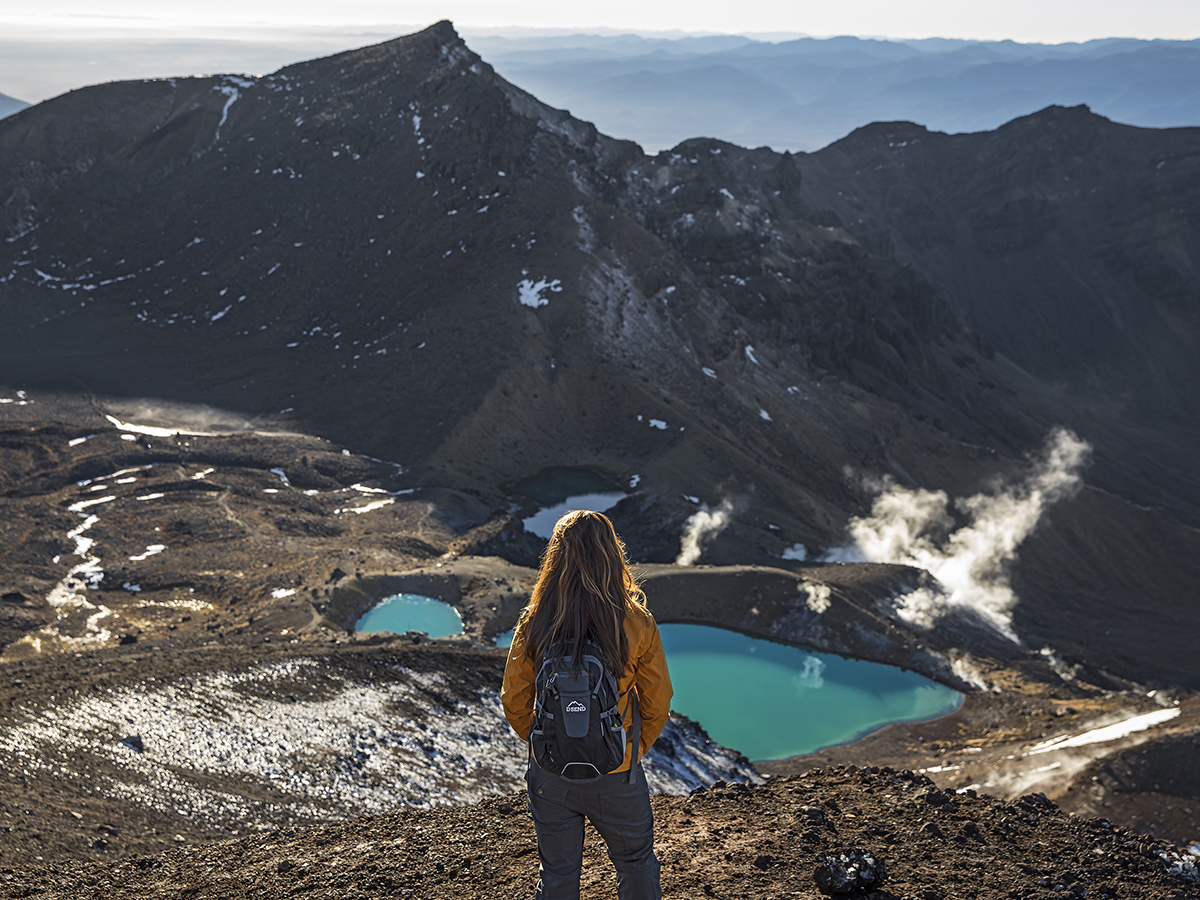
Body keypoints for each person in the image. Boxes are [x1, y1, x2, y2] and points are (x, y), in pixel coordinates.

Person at [502, 510, 673, 900]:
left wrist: (545, 742)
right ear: (612, 554)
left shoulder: (535, 620)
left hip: (551, 775)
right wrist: (631, 750)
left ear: (556, 558)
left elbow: (514, 700)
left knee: (559, 875)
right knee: (635, 863)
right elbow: (658, 701)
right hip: (617, 773)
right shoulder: (635, 621)